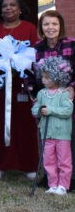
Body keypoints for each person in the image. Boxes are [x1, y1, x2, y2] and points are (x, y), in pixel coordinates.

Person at [0, 0, 40, 181]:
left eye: (12, 5)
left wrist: (20, 67)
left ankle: (28, 165)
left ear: (20, 9)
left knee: (25, 126)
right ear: (0, 10)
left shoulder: (30, 28)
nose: (8, 8)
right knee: (1, 125)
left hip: (23, 86)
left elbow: (35, 55)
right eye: (4, 6)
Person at [28, 10, 75, 191]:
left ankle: (69, 180)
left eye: (54, 24)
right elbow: (31, 74)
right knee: (48, 142)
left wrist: (72, 87)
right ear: (42, 27)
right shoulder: (37, 48)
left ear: (60, 26)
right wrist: (32, 91)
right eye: (46, 24)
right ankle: (50, 179)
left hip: (67, 97)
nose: (51, 28)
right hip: (46, 98)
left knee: (67, 141)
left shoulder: (71, 44)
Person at [30, 56, 73, 195]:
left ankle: (63, 185)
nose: (44, 80)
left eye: (47, 77)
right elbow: (35, 110)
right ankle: (53, 184)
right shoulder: (42, 93)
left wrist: (51, 110)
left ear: (58, 77)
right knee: (49, 160)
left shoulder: (64, 94)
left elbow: (67, 111)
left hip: (62, 135)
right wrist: (39, 110)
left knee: (64, 161)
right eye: (42, 77)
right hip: (47, 134)